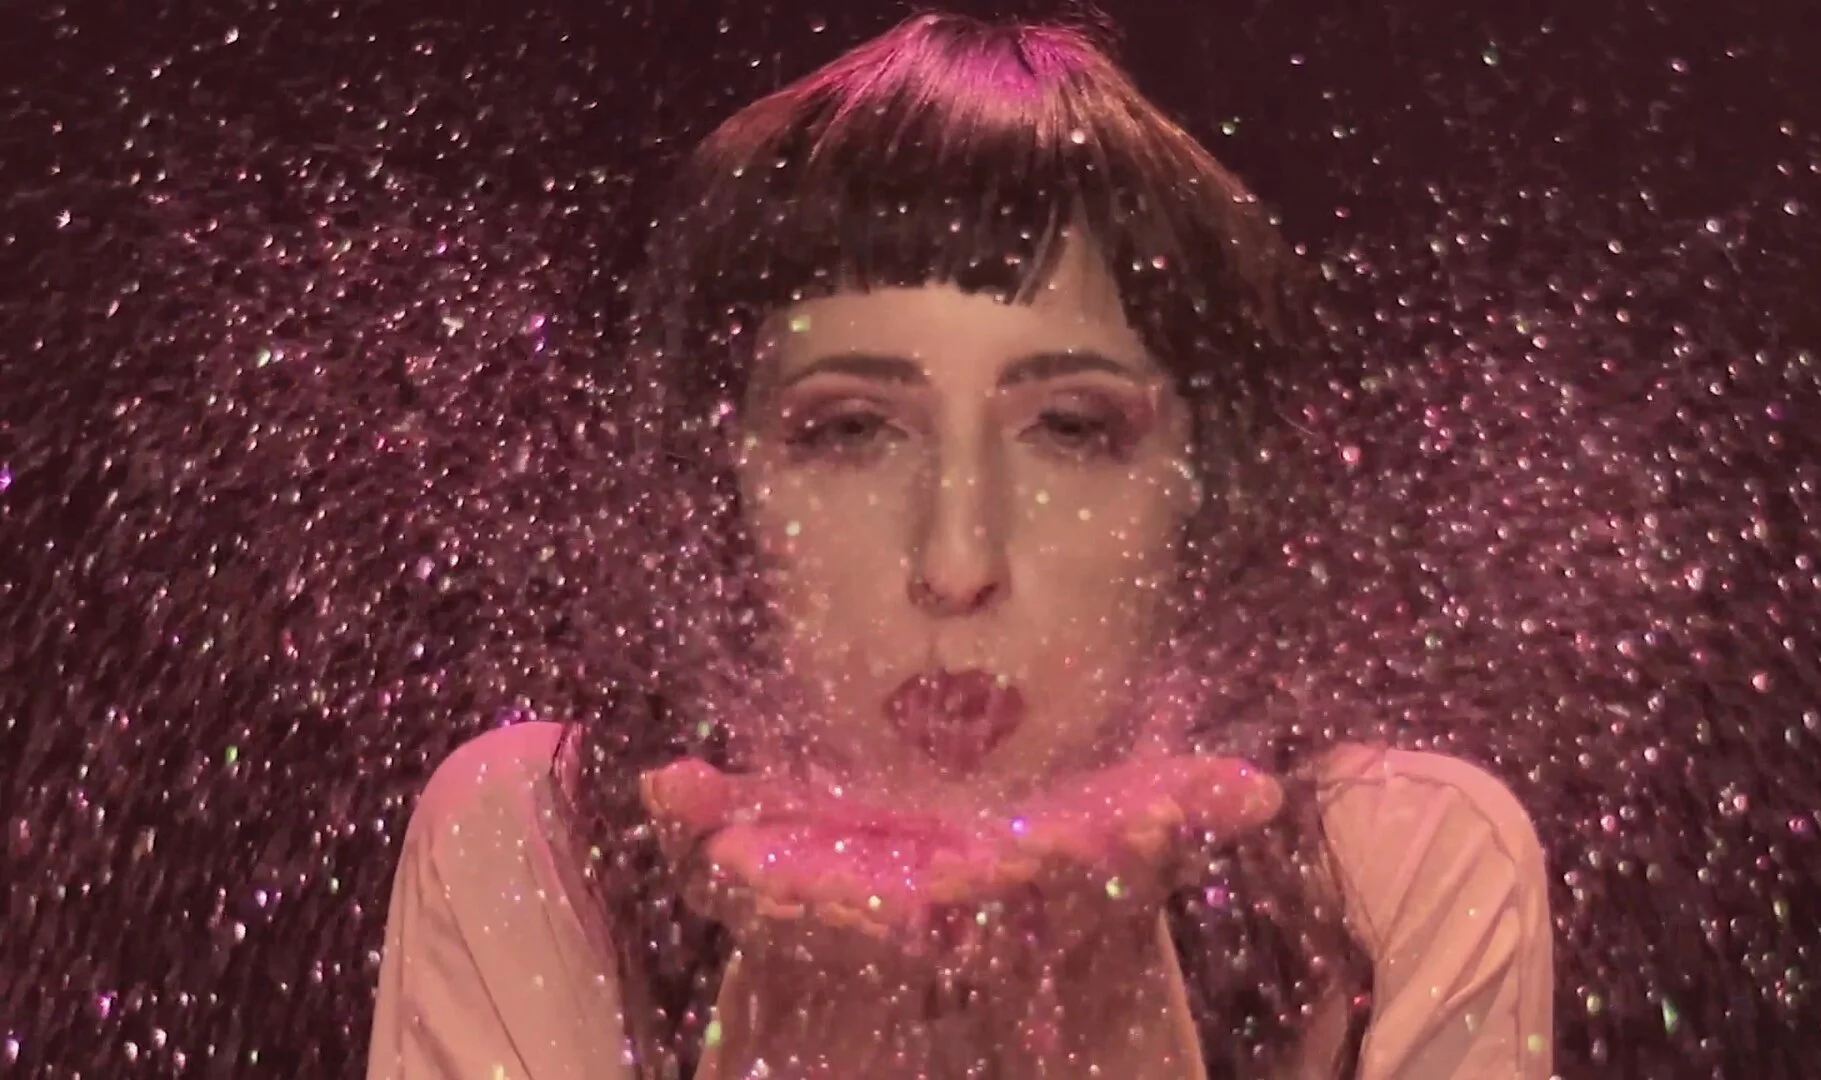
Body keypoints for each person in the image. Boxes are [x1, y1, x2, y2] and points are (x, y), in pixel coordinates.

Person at [367, 12, 1553, 1079]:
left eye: (1072, 430)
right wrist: (818, 1016)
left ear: (1200, 492)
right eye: (850, 430)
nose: (957, 566)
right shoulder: (546, 838)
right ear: (727, 491)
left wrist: (1098, 1010)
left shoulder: (1393, 871)